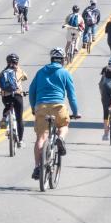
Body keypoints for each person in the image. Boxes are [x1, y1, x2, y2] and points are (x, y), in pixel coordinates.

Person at [29, 48, 80, 180]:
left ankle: (37, 167)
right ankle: (60, 139)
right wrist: (75, 112)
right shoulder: (65, 73)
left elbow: (31, 91)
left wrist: (34, 108)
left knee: (41, 137)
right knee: (63, 125)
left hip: (41, 106)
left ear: (51, 59)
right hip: (58, 107)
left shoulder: (40, 72)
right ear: (62, 60)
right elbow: (72, 95)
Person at [0, 53, 29, 145]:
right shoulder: (19, 71)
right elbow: (26, 77)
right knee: (19, 118)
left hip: (6, 96)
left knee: (7, 106)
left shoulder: (3, 72)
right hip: (17, 96)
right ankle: (20, 141)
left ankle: (4, 117)